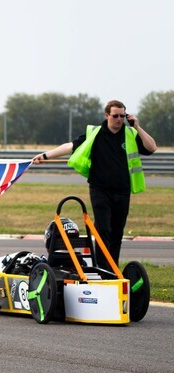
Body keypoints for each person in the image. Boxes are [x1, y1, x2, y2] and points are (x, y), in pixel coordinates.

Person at [32, 100, 157, 269]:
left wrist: (137, 127)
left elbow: (152, 148)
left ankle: (113, 268)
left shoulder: (130, 134)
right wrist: (46, 155)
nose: (119, 119)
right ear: (107, 115)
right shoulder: (95, 133)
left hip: (122, 191)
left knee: (117, 233)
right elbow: (70, 146)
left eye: (122, 116)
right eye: (115, 116)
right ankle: (103, 268)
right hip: (100, 190)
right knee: (103, 229)